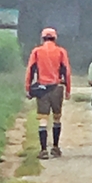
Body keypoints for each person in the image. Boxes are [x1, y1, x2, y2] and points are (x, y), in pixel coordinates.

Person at [25, 28, 71, 159]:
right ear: (55, 38)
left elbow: (30, 71)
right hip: (57, 87)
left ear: (42, 38)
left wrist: (28, 88)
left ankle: (43, 150)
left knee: (43, 119)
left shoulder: (37, 51)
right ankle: (55, 147)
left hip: (42, 88)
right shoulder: (61, 52)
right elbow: (66, 71)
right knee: (57, 117)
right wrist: (68, 89)